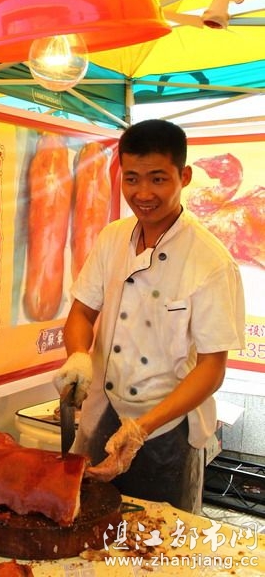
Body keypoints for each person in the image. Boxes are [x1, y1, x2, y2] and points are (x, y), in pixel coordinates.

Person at [54, 119, 245, 513]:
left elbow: (212, 367)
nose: (143, 194)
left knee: (159, 534)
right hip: (102, 412)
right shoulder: (112, 238)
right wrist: (78, 357)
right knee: (88, 521)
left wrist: (142, 428)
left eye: (158, 179)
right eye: (132, 179)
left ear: (183, 177)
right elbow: (82, 312)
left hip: (167, 429)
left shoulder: (210, 261)